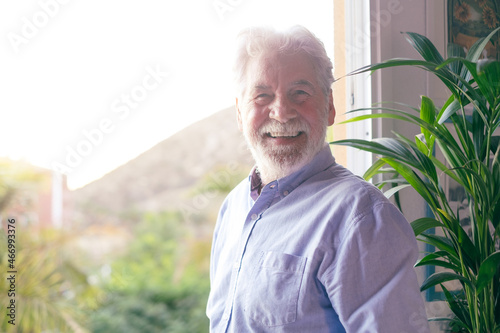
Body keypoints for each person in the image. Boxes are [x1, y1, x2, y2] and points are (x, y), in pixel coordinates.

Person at [206, 25, 430, 332]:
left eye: (300, 93)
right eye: (262, 96)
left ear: (329, 107)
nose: (282, 112)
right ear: (239, 113)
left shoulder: (360, 217)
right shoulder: (232, 208)